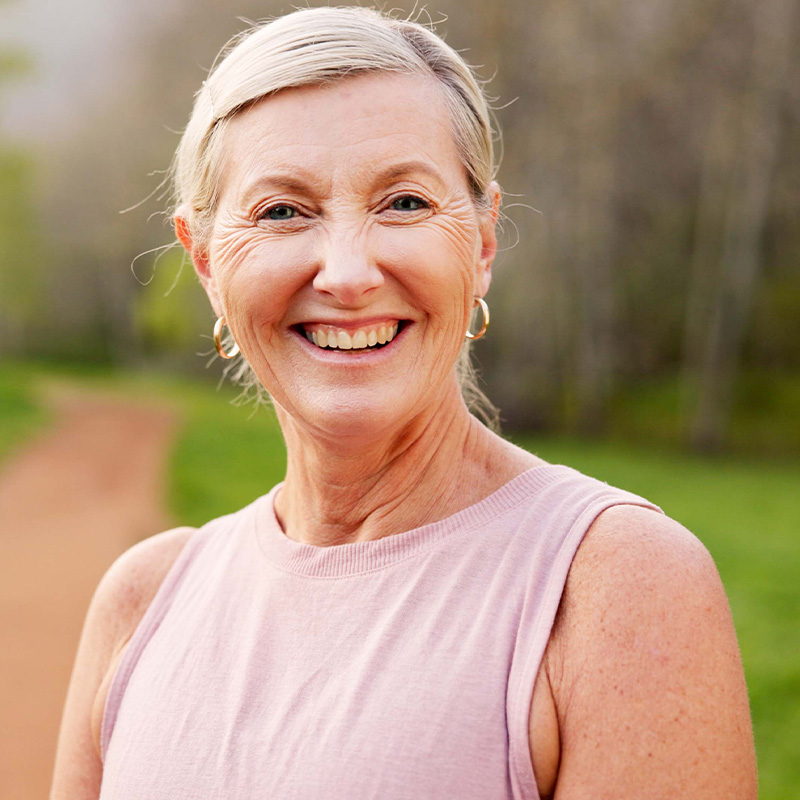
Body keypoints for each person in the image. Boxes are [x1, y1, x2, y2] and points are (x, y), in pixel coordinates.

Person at [50, 7, 757, 799]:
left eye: (405, 203)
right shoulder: (142, 602)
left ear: (481, 243)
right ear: (207, 262)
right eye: (282, 211)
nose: (348, 274)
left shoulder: (614, 587)